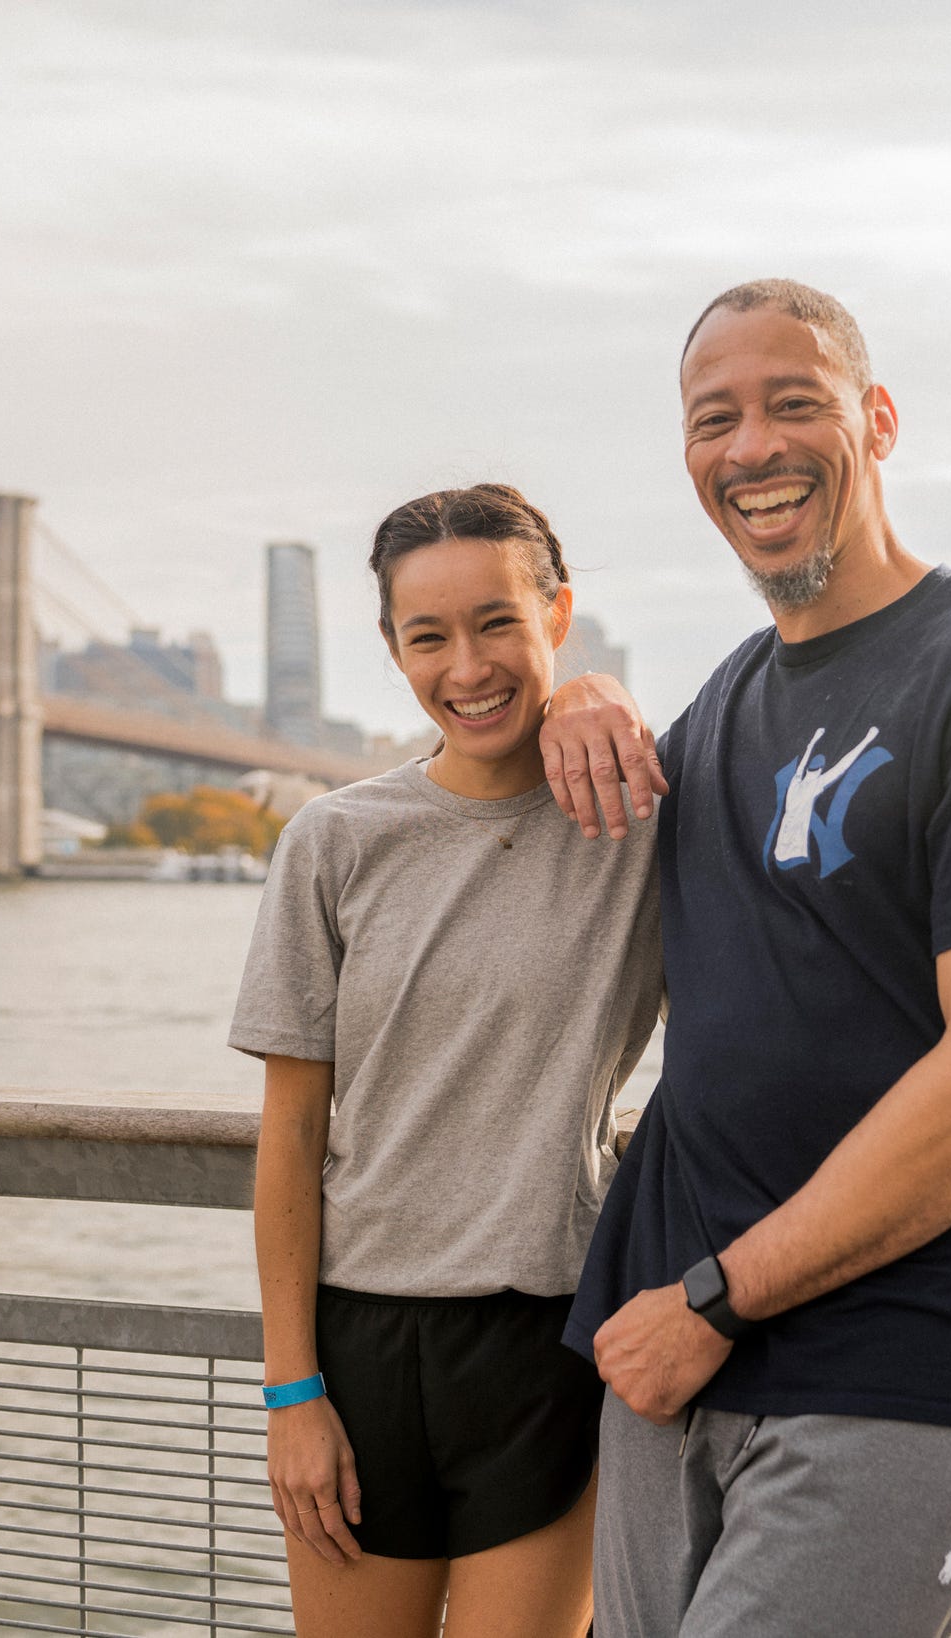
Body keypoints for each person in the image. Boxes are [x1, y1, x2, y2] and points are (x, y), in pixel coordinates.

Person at [541, 280, 951, 1638]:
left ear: (877, 420)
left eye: (793, 403)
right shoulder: (729, 699)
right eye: (714, 419)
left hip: (891, 1362)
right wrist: (582, 688)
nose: (751, 447)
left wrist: (718, 1294)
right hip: (669, 1365)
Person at [229, 483, 664, 1638]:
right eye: (427, 637)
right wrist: (292, 1394)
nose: (465, 666)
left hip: (552, 1337)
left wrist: (600, 694)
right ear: (391, 650)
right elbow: (289, 1136)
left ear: (556, 615)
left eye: (497, 624)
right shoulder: (333, 841)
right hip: (357, 1347)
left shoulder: (641, 822)